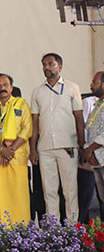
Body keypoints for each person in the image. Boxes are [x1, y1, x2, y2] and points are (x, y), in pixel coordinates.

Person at [30, 53, 84, 222]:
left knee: (70, 190)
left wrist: (81, 144)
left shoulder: (72, 88)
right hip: (45, 147)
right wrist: (33, 149)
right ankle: (53, 229)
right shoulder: (37, 91)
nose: (47, 67)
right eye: (44, 65)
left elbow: (79, 118)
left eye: (50, 64)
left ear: (59, 67)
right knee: (49, 190)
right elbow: (35, 123)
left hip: (68, 145)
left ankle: (72, 228)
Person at [0, 73, 33, 223]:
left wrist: (10, 151)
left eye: (5, 85)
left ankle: (21, 229)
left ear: (11, 87)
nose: (2, 88)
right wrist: (1, 150)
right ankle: (2, 231)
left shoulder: (21, 104)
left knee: (18, 197)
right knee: (0, 197)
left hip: (16, 158)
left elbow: (27, 129)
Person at [82, 71, 104, 221]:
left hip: (100, 156)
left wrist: (90, 149)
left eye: (95, 83)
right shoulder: (98, 104)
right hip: (97, 160)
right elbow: (89, 129)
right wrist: (87, 149)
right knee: (102, 199)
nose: (91, 85)